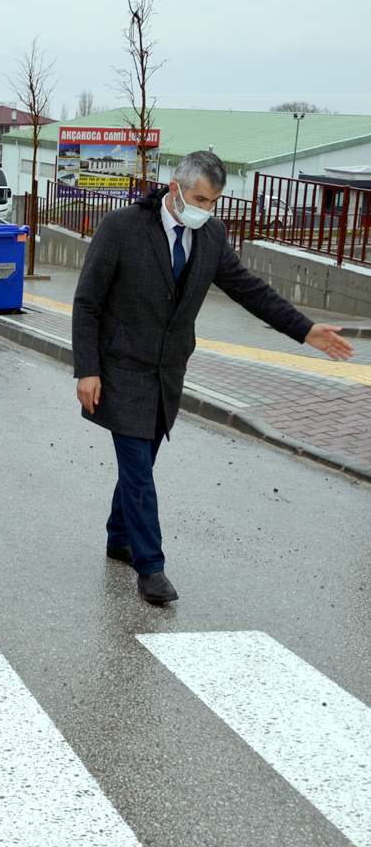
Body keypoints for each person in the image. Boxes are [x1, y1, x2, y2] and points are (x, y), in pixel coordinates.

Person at [72, 150, 353, 605]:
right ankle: (151, 567)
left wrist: (305, 329)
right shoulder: (122, 228)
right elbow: (86, 302)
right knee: (139, 471)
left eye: (214, 201)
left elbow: (248, 289)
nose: (206, 209)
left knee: (142, 462)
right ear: (175, 188)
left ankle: (118, 536)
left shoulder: (212, 235)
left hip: (167, 372)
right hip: (120, 367)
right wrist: (87, 369)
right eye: (200, 198)